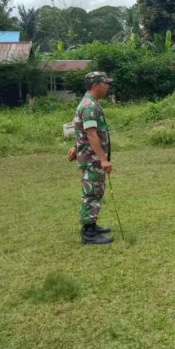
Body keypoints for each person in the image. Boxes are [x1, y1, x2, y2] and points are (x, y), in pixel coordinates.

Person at [67, 71, 114, 245]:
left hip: (89, 155)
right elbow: (91, 134)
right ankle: (88, 234)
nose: (107, 86)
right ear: (96, 85)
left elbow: (79, 129)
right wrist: (103, 159)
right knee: (92, 192)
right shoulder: (90, 106)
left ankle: (92, 225)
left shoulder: (88, 103)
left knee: (94, 191)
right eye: (105, 83)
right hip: (92, 158)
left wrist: (76, 146)